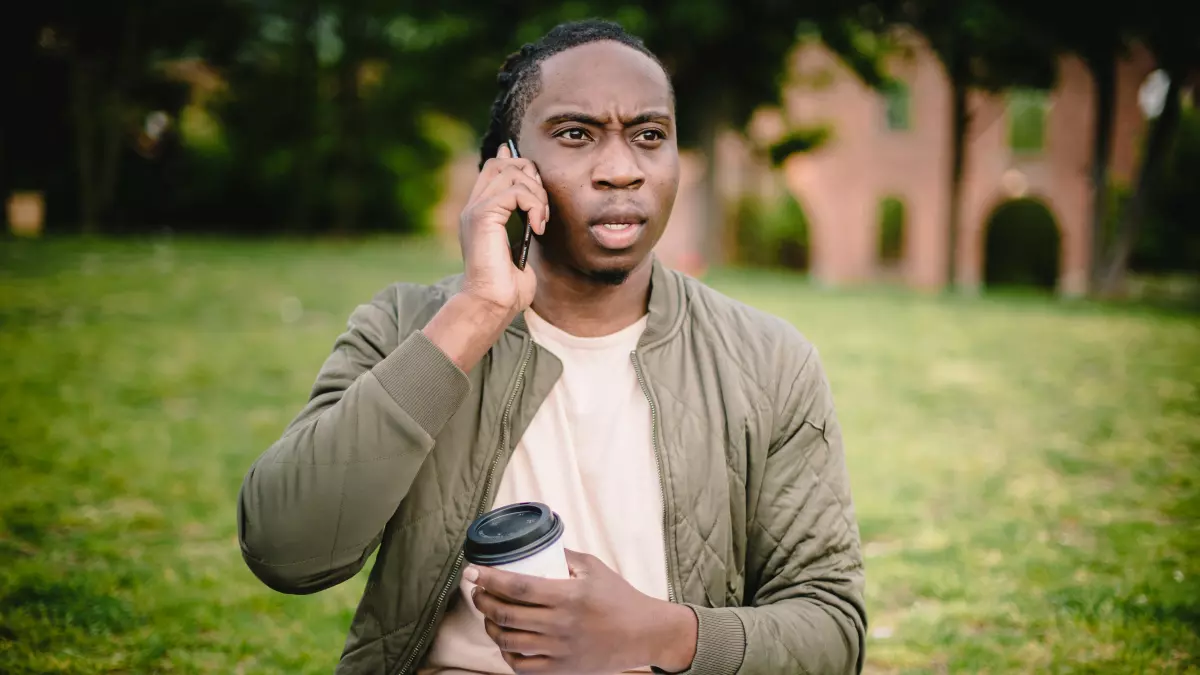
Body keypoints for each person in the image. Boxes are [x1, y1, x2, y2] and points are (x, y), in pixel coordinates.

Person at [237, 19, 866, 675]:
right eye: (576, 134)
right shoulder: (407, 327)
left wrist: (661, 634)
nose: (621, 170)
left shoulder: (769, 361)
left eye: (650, 136)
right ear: (507, 164)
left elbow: (832, 630)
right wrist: (475, 311)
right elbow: (286, 548)